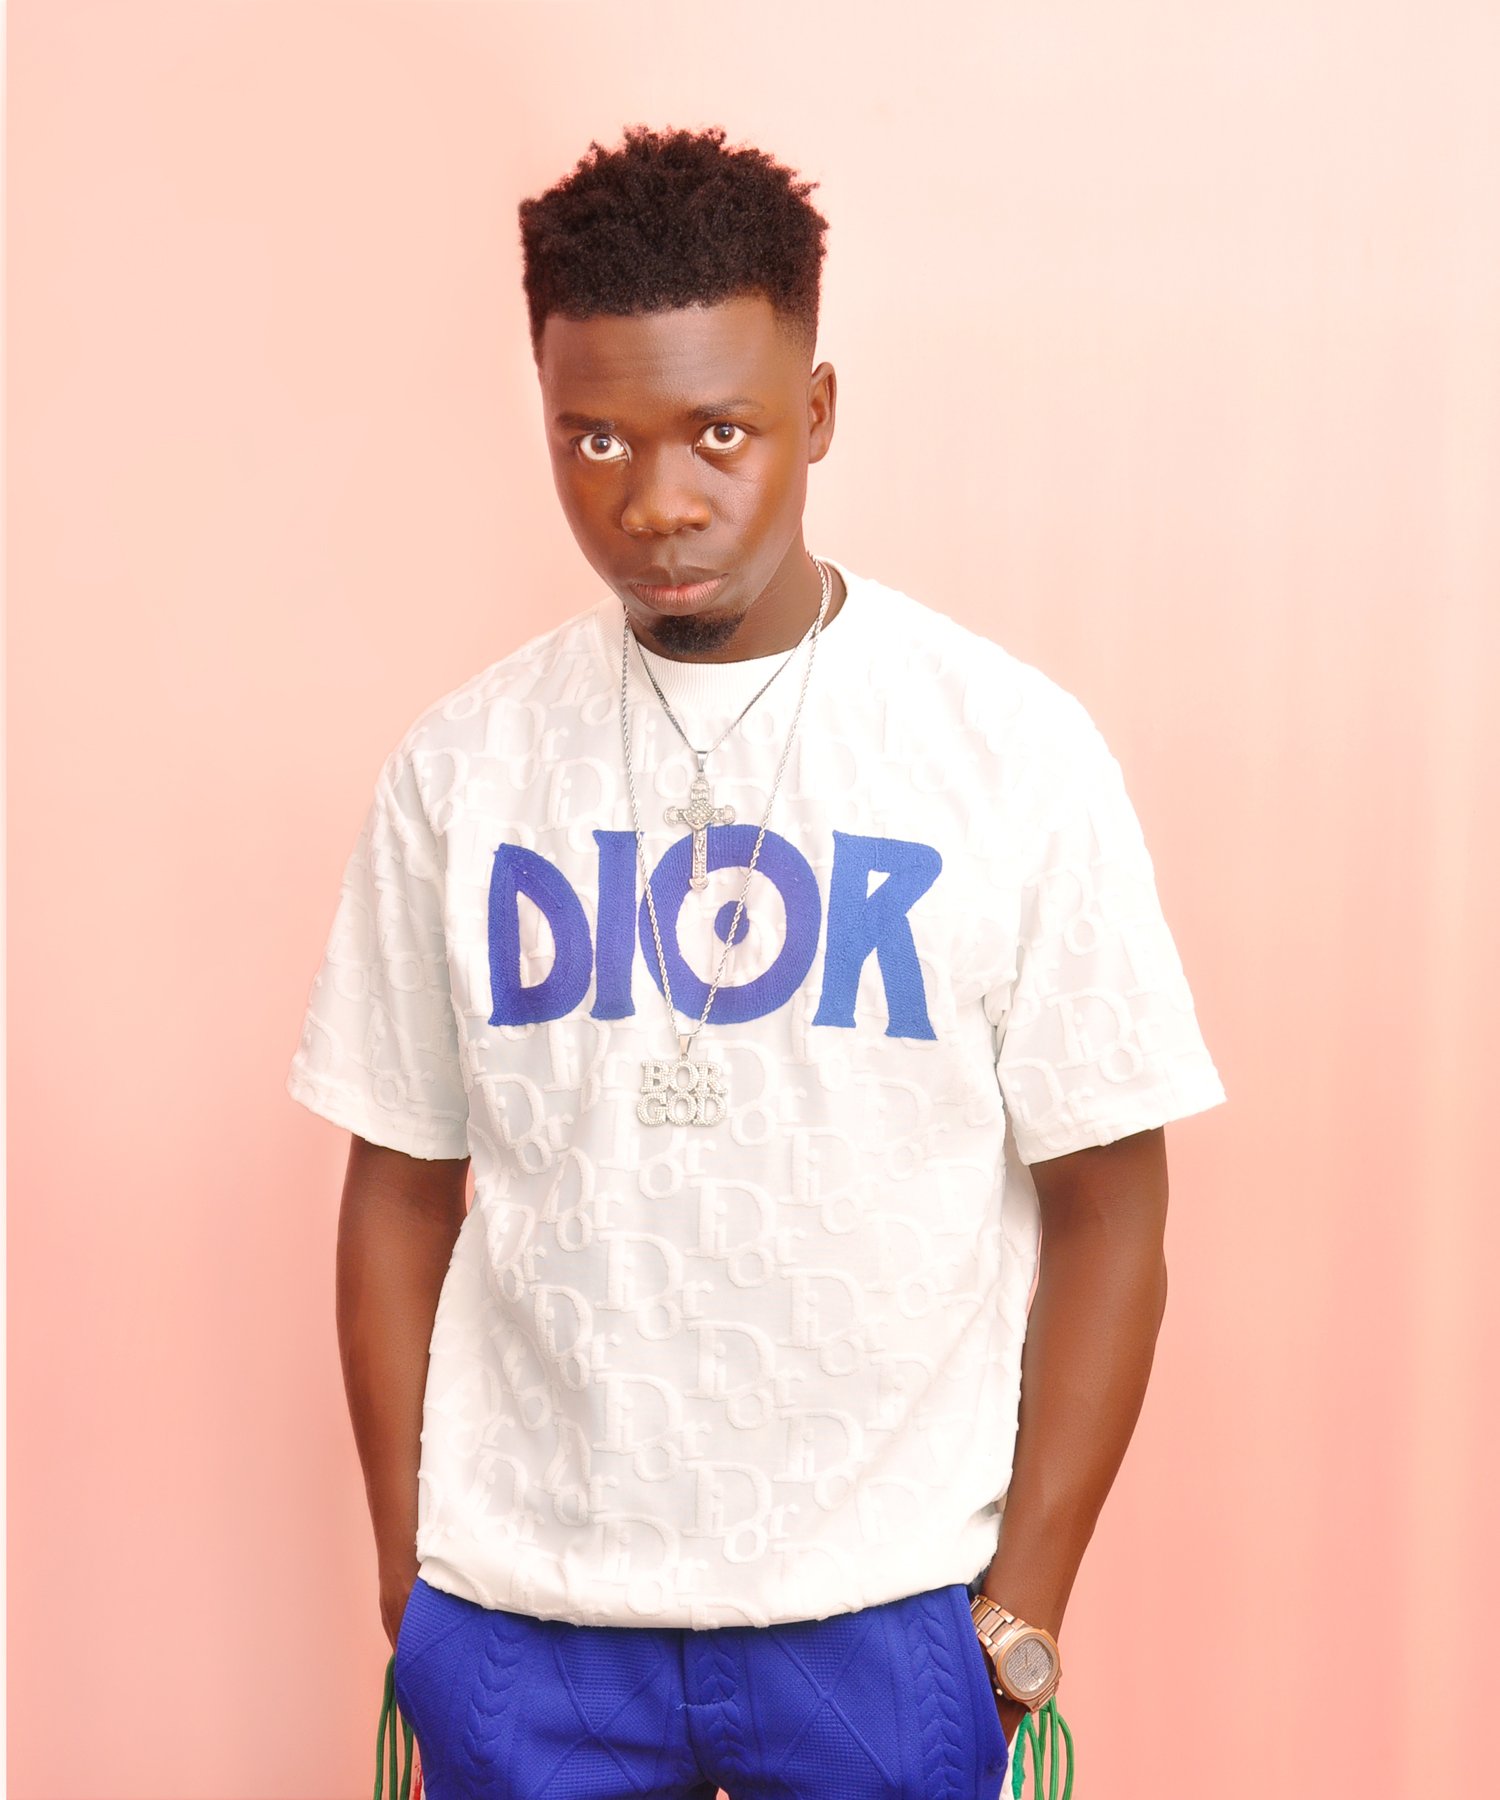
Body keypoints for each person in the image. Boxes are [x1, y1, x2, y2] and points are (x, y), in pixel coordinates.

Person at [288, 123, 1226, 1800]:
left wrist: (1022, 1608)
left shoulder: (1007, 751)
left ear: (819, 412)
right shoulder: (462, 768)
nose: (655, 501)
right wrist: (411, 1579)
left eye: (720, 432)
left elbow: (1112, 1202)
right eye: (593, 439)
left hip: (883, 1611)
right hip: (524, 1619)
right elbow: (398, 1186)